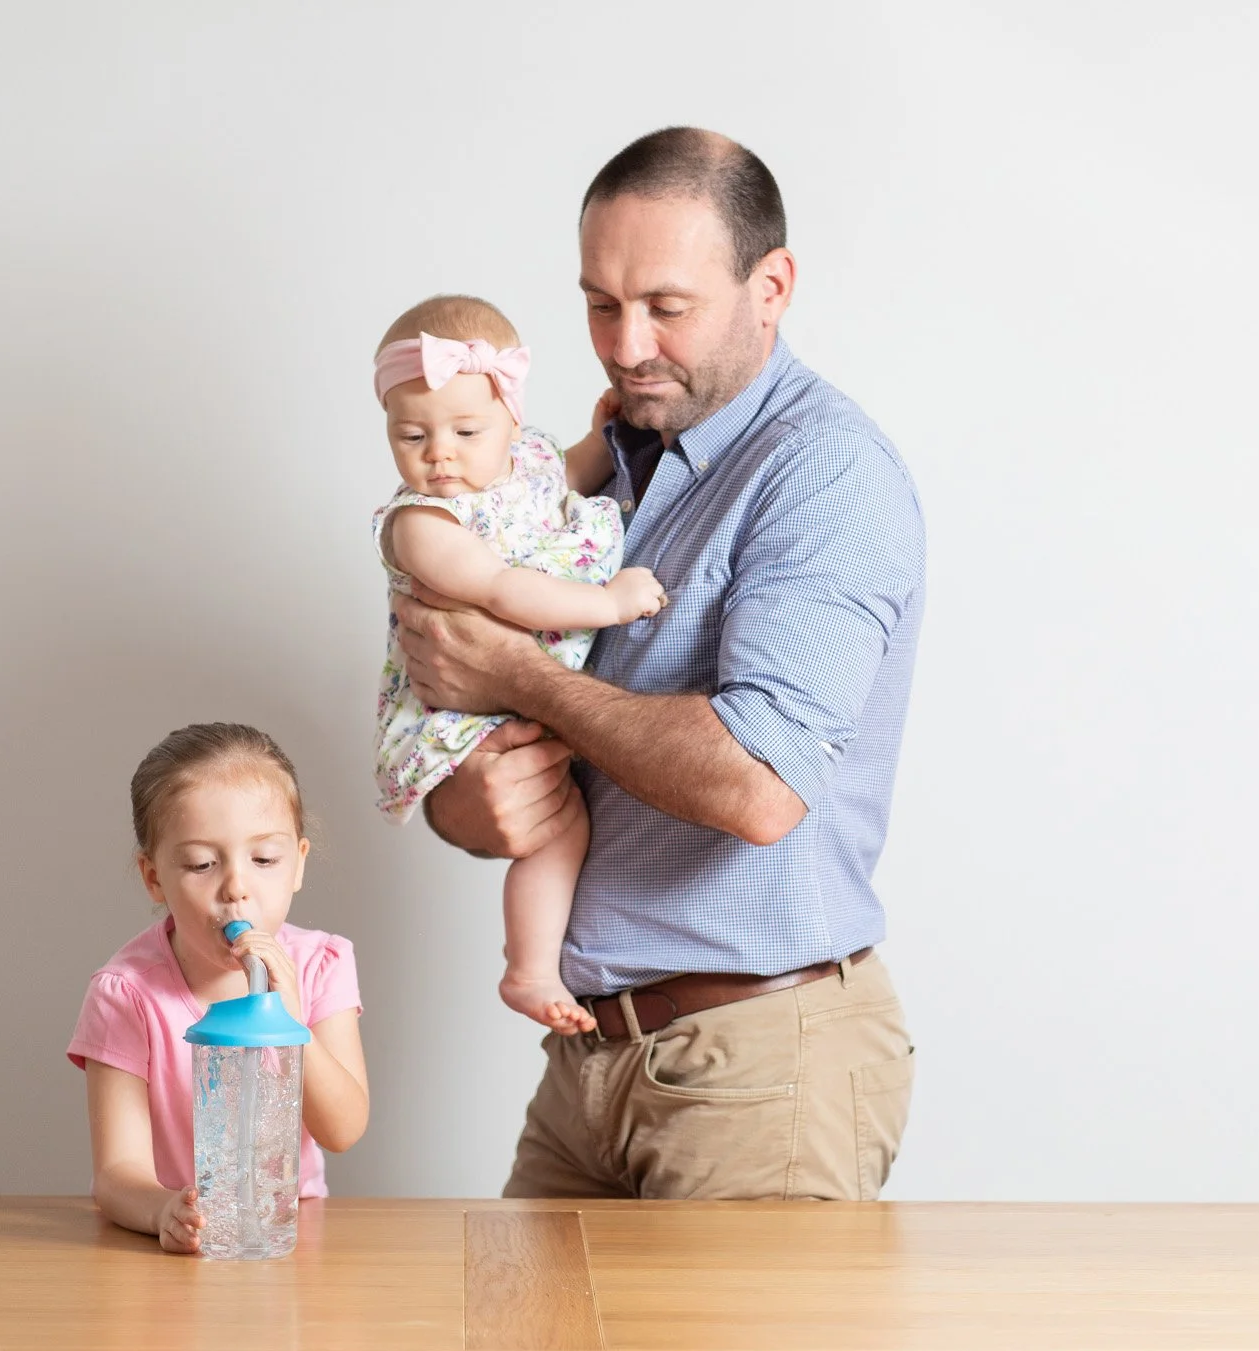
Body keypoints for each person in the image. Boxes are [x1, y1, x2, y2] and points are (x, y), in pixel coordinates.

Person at [395, 128, 925, 1200]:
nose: (625, 343)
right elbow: (507, 778)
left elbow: (756, 786)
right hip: (586, 1059)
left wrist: (517, 676)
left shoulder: (824, 475)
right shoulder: (595, 471)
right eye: (599, 304)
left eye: (666, 308)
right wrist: (469, 796)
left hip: (758, 1063)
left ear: (769, 286)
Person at [370, 293, 666, 1034]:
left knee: (568, 818)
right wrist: (610, 601)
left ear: (511, 419)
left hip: (518, 683)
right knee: (555, 823)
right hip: (462, 708)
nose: (439, 456)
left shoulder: (523, 466)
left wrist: (611, 434)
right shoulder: (422, 524)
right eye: (411, 435)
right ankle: (529, 968)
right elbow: (502, 590)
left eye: (467, 430)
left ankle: (533, 966)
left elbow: (563, 475)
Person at [68, 723, 369, 1252]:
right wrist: (163, 1209)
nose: (236, 887)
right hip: (181, 1245)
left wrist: (291, 1021)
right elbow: (116, 1173)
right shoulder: (126, 993)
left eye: (265, 860)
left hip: (288, 1237)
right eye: (202, 864)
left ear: (298, 863)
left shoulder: (321, 964)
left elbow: (343, 1130)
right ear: (154, 877)